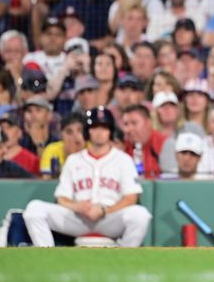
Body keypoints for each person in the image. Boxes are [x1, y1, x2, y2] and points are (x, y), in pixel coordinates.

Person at [22, 106, 152, 247]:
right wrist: (75, 206)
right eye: (94, 127)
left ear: (110, 131)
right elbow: (61, 198)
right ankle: (47, 255)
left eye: (104, 128)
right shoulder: (74, 160)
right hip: (78, 218)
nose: (99, 132)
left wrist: (103, 210)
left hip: (109, 217)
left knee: (141, 215)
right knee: (34, 209)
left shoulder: (123, 159)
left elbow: (131, 198)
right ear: (87, 131)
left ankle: (125, 257)